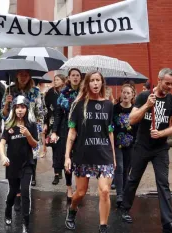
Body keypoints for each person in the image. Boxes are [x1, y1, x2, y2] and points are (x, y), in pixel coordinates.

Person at [121, 68, 172, 233]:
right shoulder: (144, 96)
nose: (170, 86)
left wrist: (162, 133)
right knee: (133, 179)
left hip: (160, 149)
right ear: (159, 80)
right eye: (167, 83)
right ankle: (125, 208)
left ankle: (168, 223)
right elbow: (132, 119)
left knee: (163, 184)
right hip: (141, 146)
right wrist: (147, 105)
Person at [64, 71, 115, 233]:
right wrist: (67, 156)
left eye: (98, 80)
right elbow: (72, 133)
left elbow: (110, 132)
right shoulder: (78, 105)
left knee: (105, 191)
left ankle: (103, 226)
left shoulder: (108, 105)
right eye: (92, 80)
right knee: (80, 192)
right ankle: (72, 210)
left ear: (102, 83)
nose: (95, 83)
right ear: (87, 83)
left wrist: (113, 156)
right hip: (83, 155)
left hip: (104, 154)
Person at [1, 70, 45, 210]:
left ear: (30, 76)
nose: (24, 77)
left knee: (32, 152)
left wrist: (38, 128)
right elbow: (3, 115)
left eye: (26, 75)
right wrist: (7, 104)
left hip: (31, 127)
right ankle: (17, 193)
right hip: (14, 128)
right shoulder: (9, 90)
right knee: (15, 156)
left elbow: (40, 112)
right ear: (17, 76)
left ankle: (31, 174)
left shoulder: (35, 91)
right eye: (21, 75)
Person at [0, 95, 38, 233]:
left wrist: (27, 134)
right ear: (14, 109)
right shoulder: (9, 125)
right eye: (17, 107)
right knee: (13, 192)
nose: (20, 110)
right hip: (12, 165)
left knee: (26, 192)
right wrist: (3, 156)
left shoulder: (31, 125)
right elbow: (2, 143)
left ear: (27, 109)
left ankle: (26, 222)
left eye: (23, 107)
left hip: (27, 164)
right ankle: (8, 210)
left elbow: (34, 145)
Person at [51, 68, 82, 198]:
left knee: (80, 158)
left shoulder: (85, 92)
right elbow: (58, 114)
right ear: (69, 78)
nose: (75, 77)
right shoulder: (63, 93)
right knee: (67, 157)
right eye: (73, 75)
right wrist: (54, 132)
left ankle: (79, 186)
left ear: (80, 78)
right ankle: (69, 187)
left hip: (81, 128)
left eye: (77, 75)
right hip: (66, 127)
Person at [113, 83, 136, 207]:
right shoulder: (114, 108)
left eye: (128, 93)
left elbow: (138, 127)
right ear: (120, 93)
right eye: (124, 92)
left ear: (132, 95)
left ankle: (125, 193)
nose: (126, 95)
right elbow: (110, 125)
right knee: (119, 167)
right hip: (117, 143)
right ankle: (119, 194)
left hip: (131, 144)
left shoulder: (135, 110)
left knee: (127, 169)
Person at [44, 74, 67, 185]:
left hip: (64, 124)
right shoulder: (50, 93)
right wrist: (46, 123)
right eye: (55, 80)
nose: (56, 82)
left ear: (63, 81)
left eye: (58, 80)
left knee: (63, 148)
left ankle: (63, 168)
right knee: (55, 147)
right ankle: (56, 173)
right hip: (52, 121)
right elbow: (46, 107)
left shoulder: (67, 93)